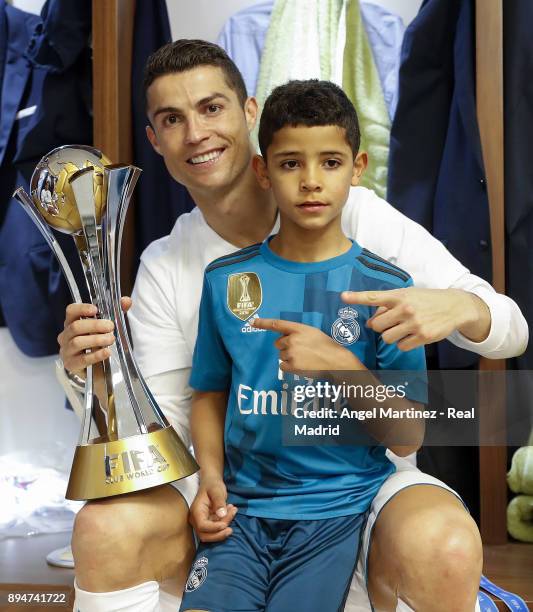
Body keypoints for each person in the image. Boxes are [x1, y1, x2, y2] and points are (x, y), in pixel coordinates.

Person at [60, 40, 527, 611]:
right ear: (154, 140)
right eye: (172, 120)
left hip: (361, 484)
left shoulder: (358, 217)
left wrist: (462, 307)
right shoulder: (170, 264)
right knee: (103, 525)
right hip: (242, 497)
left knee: (445, 541)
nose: (196, 134)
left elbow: (509, 330)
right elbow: (171, 420)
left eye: (212, 108)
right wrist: (93, 375)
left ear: (248, 114)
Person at [179, 78, 430, 612]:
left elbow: (408, 436)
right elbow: (209, 391)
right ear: (262, 171)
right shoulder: (226, 280)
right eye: (291, 163)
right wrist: (211, 477)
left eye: (331, 163)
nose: (311, 181)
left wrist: (341, 364)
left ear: (358, 167)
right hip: (240, 516)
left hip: (336, 512)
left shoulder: (387, 288)